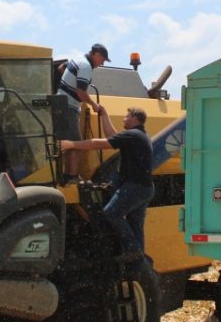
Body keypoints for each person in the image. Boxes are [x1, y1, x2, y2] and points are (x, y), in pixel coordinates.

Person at [60, 105, 154, 258]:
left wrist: (72, 144)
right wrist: (104, 115)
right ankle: (139, 261)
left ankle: (133, 250)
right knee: (135, 225)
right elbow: (112, 136)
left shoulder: (133, 135)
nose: (124, 118)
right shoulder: (138, 135)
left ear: (134, 118)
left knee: (111, 213)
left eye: (126, 116)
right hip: (144, 188)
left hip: (134, 187)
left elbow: (100, 144)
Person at [57, 43, 109, 182]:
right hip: (69, 107)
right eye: (103, 59)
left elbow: (61, 68)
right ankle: (71, 177)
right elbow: (81, 92)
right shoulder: (86, 67)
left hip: (62, 105)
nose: (102, 63)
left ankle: (68, 175)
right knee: (76, 144)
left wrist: (69, 80)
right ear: (96, 54)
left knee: (69, 143)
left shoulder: (77, 59)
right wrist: (94, 105)